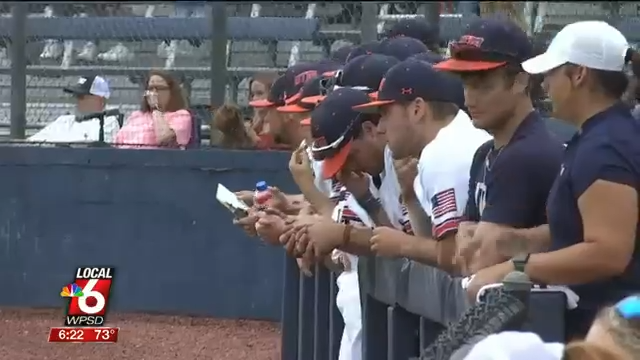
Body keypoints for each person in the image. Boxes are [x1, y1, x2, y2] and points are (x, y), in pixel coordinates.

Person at [466, 20, 640, 339]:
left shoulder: (607, 146)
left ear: (578, 75)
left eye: (551, 73)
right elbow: (584, 226)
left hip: (615, 338)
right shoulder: (596, 136)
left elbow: (608, 252)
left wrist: (516, 268)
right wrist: (524, 241)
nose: (544, 84)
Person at [433, 17, 565, 274]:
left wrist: (475, 243)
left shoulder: (525, 155)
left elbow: (479, 262)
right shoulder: (485, 154)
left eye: (483, 85)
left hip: (539, 309)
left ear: (520, 81)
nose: (469, 98)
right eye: (466, 85)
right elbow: (461, 258)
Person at [351, 59, 491, 273]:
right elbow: (437, 249)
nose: (380, 127)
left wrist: (402, 245)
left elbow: (457, 259)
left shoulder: (444, 153)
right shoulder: (457, 135)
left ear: (417, 109)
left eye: (386, 114)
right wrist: (410, 198)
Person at [28, 75, 120, 143]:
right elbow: (30, 143)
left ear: (100, 100)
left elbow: (91, 149)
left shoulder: (109, 122)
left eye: (80, 96)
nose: (76, 100)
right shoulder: (64, 120)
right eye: (75, 96)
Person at [115, 70, 192, 149]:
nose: (153, 92)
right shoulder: (136, 116)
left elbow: (165, 139)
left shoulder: (181, 115)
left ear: (171, 92)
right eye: (151, 88)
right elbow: (118, 141)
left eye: (159, 88)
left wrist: (156, 109)